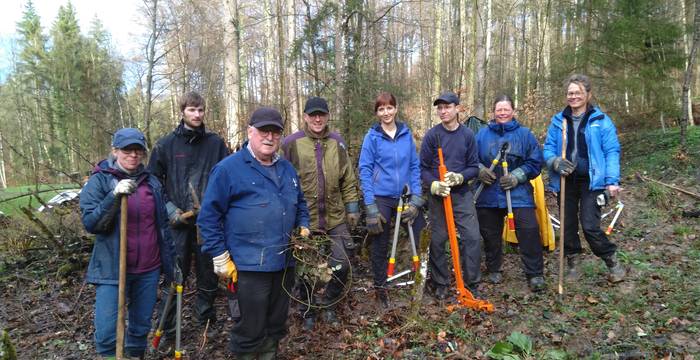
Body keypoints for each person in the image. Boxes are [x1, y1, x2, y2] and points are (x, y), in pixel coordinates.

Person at [198, 107, 310, 359]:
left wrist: (304, 225)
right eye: (263, 131)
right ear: (250, 132)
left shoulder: (287, 169)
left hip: (284, 263)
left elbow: (301, 203)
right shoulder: (228, 169)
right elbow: (208, 217)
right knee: (249, 329)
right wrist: (219, 255)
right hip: (248, 267)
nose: (269, 137)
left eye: (275, 132)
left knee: (275, 325)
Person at [80, 128, 175, 359]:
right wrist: (114, 197)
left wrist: (172, 263)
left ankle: (135, 355)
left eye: (138, 150)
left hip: (148, 268)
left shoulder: (151, 182)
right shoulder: (100, 180)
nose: (133, 155)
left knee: (140, 327)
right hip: (113, 269)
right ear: (115, 151)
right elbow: (92, 223)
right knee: (106, 332)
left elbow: (162, 225)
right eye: (127, 150)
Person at [148, 92, 229, 337]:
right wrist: (171, 210)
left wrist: (218, 210)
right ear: (182, 111)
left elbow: (227, 178)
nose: (197, 114)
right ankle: (168, 329)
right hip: (177, 225)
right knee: (175, 275)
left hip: (207, 224)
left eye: (201, 110)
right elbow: (153, 182)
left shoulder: (216, 144)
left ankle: (204, 320)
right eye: (192, 110)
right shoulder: (166, 145)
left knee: (208, 274)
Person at [281, 96, 360, 329]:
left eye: (322, 115)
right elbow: (282, 181)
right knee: (306, 270)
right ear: (305, 117)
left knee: (341, 264)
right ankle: (307, 309)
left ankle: (329, 303)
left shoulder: (337, 142)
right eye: (313, 114)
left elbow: (347, 177)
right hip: (306, 220)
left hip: (335, 217)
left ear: (327, 117)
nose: (317, 119)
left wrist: (352, 207)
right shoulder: (291, 143)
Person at [543, 74, 626, 283]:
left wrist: (612, 181)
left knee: (589, 225)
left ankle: (612, 261)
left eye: (578, 93)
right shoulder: (558, 120)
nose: (573, 97)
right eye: (570, 93)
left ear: (588, 95)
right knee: (568, 225)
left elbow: (612, 151)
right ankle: (573, 262)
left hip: (592, 181)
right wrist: (554, 161)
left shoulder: (600, 120)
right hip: (566, 180)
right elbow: (548, 148)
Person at [358, 92, 426, 307]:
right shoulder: (372, 137)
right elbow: (365, 170)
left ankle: (422, 281)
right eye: (381, 109)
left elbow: (415, 167)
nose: (386, 112)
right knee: (379, 240)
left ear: (396, 109)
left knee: (421, 233)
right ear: (377, 113)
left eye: (389, 108)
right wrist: (370, 206)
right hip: (381, 197)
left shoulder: (406, 134)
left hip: (406, 195)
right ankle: (380, 289)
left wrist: (416, 199)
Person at [475, 95, 545, 292]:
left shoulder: (525, 135)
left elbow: (535, 162)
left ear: (513, 111)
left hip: (518, 193)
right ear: (493, 112)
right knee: (490, 233)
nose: (503, 113)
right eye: (499, 109)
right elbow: (470, 158)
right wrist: (480, 170)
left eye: (506, 109)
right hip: (488, 194)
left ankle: (535, 273)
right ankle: (494, 267)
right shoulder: (481, 135)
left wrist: (518, 176)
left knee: (529, 229)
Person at [419, 91, 482, 300]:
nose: (443, 111)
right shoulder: (432, 135)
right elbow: (423, 168)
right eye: (440, 108)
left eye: (447, 107)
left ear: (457, 108)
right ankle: (441, 283)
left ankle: (471, 281)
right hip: (439, 195)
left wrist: (460, 177)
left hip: (462, 194)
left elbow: (474, 167)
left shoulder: (467, 136)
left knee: (472, 237)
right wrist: (434, 184)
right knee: (438, 239)